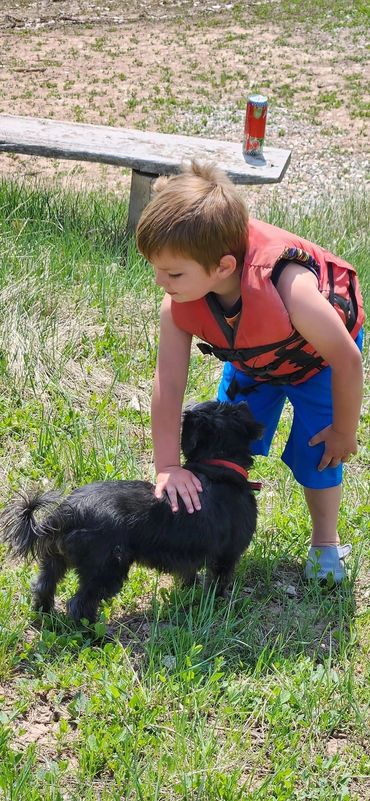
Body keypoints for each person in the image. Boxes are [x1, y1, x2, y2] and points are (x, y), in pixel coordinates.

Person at [136, 162, 364, 583]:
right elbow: (168, 385)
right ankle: (217, 521)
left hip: (318, 366)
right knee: (222, 438)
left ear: (223, 266)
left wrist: (344, 431)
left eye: (172, 273)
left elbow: (347, 360)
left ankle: (325, 544)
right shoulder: (178, 304)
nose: (159, 282)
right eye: (155, 268)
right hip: (253, 360)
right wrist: (167, 464)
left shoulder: (287, 286)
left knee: (320, 451)